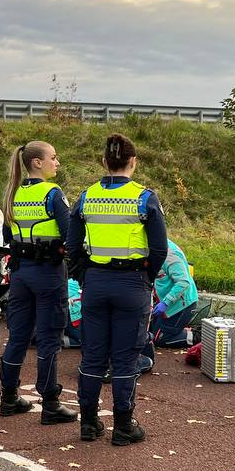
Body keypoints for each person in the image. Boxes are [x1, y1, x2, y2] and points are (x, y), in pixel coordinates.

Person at [67, 133, 168, 445]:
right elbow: (160, 249)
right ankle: (123, 425)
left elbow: (72, 245)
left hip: (96, 282)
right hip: (132, 283)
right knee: (125, 358)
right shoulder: (144, 198)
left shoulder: (86, 197)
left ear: (104, 161)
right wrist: (146, 278)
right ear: (133, 162)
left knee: (93, 355)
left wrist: (84, 276)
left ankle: (88, 423)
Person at [0, 141, 77, 424]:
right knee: (49, 338)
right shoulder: (52, 193)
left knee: (18, 336)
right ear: (37, 163)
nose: (58, 162)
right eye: (53, 157)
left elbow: (7, 235)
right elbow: (70, 234)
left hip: (21, 273)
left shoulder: (14, 194)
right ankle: (50, 403)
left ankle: (8, 397)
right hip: (48, 273)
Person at [138, 238, 198, 373]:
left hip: (182, 306)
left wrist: (166, 303)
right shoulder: (151, 248)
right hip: (167, 305)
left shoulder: (170, 254)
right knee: (148, 332)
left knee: (159, 339)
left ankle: (196, 336)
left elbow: (183, 282)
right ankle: (180, 330)